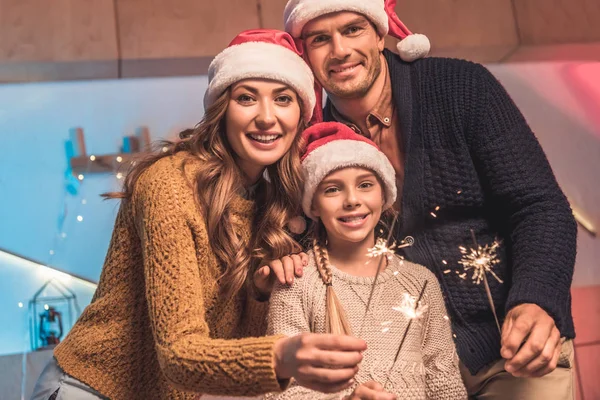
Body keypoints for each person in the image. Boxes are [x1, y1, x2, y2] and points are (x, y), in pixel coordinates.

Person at [31, 30, 367, 400]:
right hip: (90, 389)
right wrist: (281, 356)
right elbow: (178, 353)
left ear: (300, 114)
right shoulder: (170, 185)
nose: (266, 118)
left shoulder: (272, 204)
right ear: (222, 110)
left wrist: (259, 291)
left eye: (283, 99)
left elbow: (227, 346)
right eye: (246, 98)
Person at [282, 0, 578, 398]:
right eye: (320, 38)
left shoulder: (462, 87)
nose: (339, 51)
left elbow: (539, 206)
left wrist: (538, 300)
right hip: (401, 369)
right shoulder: (305, 138)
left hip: (511, 346)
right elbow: (305, 246)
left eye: (353, 29)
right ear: (305, 52)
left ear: (380, 31)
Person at [267, 122, 467, 399]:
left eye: (364, 185)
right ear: (313, 205)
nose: (352, 200)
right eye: (332, 190)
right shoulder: (296, 283)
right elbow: (280, 391)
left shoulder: (421, 282)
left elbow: (444, 379)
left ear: (384, 194)